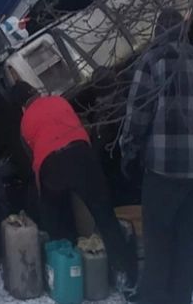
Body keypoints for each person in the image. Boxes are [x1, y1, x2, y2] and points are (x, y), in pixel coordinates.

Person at [121, 9, 193, 304]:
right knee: (186, 235)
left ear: (158, 33)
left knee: (157, 239)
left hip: (164, 171)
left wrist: (129, 149)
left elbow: (138, 115)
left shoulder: (153, 61)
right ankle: (181, 297)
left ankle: (153, 298)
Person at [12, 80, 138, 294]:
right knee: (105, 217)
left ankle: (65, 269)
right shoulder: (59, 101)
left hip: (51, 166)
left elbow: (34, 157)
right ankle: (126, 275)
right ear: (36, 92)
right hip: (82, 157)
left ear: (22, 106)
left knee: (55, 217)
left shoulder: (25, 121)